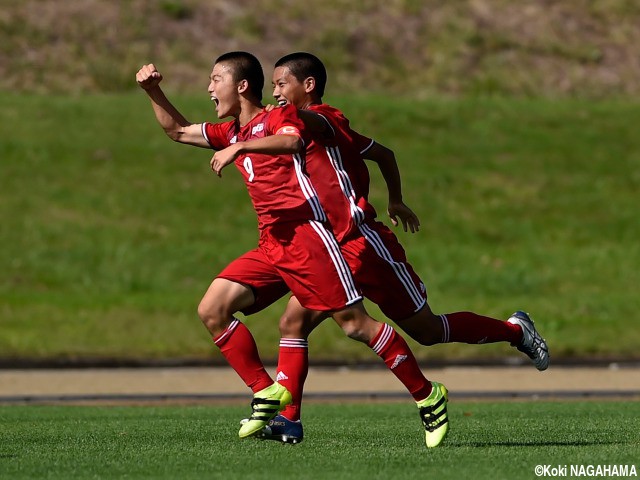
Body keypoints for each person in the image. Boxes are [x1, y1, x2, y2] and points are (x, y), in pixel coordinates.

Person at [136, 51, 449, 449]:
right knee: (212, 309)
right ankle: (267, 393)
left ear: (242, 85)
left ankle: (427, 395)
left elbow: (293, 140)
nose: (209, 87)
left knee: (355, 325)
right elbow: (177, 131)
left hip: (308, 240)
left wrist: (243, 149)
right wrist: (153, 91)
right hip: (272, 243)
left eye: (216, 78)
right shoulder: (231, 131)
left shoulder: (276, 118)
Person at [243, 52, 549, 445]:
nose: (276, 92)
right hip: (329, 247)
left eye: (281, 83)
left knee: (428, 329)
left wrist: (265, 117)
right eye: (272, 86)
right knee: (294, 323)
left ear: (309, 86)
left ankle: (514, 332)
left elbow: (318, 130)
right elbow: (383, 154)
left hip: (362, 244)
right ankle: (289, 421)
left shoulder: (325, 119)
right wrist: (397, 200)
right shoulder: (290, 128)